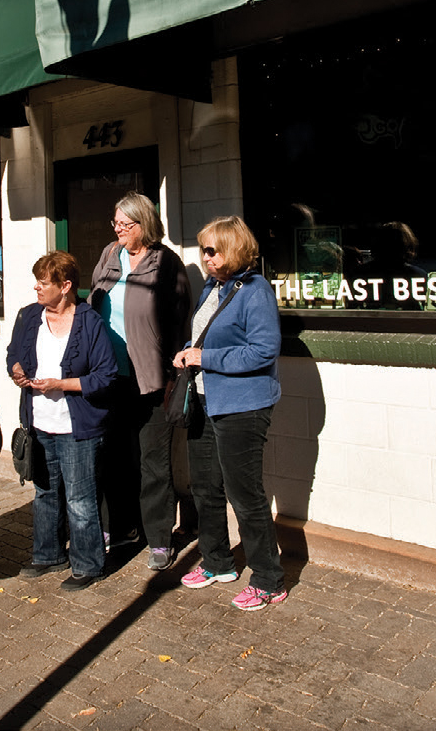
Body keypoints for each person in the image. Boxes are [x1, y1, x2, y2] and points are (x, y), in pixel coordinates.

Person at [172, 217, 288, 611]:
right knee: (205, 487)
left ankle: (269, 579)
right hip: (205, 400)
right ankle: (218, 561)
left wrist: (205, 357)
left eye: (212, 251)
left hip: (243, 405)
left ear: (234, 250)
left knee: (245, 494)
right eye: (204, 250)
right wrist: (189, 349)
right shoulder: (213, 287)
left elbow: (262, 351)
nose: (205, 258)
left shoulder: (256, 292)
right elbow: (209, 333)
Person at [88, 192, 193, 571]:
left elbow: (182, 320)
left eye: (125, 224)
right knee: (113, 456)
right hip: (108, 375)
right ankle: (120, 528)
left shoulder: (167, 263)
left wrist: (175, 371)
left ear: (143, 225)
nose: (117, 229)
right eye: (115, 222)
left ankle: (160, 539)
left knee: (153, 461)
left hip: (152, 379)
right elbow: (94, 302)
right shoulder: (108, 254)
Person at [7, 251, 119, 590]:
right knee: (45, 493)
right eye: (37, 282)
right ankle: (48, 555)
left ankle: (87, 564)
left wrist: (61, 385)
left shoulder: (90, 322)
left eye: (44, 283)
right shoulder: (29, 317)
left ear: (66, 286)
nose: (37, 289)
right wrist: (16, 372)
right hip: (40, 423)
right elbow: (14, 354)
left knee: (80, 498)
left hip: (76, 427)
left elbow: (106, 375)